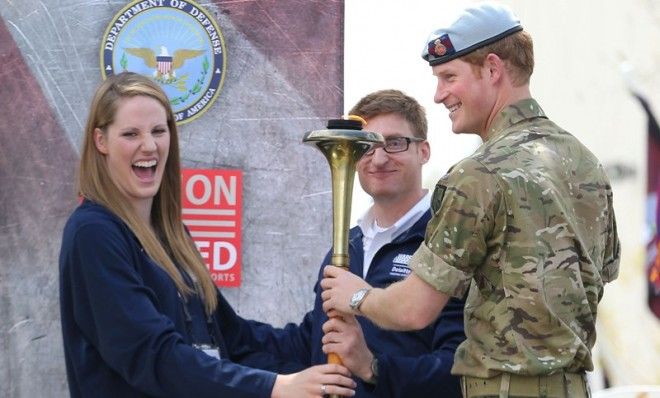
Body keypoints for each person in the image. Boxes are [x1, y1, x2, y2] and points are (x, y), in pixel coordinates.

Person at [320, 3, 620, 398]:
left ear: (493, 69)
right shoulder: (584, 162)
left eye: (449, 77)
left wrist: (356, 295)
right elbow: (605, 270)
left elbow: (414, 310)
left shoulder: (476, 175)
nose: (439, 94)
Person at [58, 71, 356, 398]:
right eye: (130, 134)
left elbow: (234, 341)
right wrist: (275, 388)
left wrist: (323, 328)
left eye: (159, 131)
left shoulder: (172, 235)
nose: (149, 145)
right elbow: (153, 356)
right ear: (101, 141)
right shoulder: (94, 233)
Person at [246, 89, 466, 397]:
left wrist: (372, 367)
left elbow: (460, 370)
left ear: (424, 151)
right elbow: (307, 346)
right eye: (366, 146)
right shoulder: (347, 246)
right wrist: (219, 320)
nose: (378, 158)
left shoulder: (451, 244)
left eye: (394, 143)